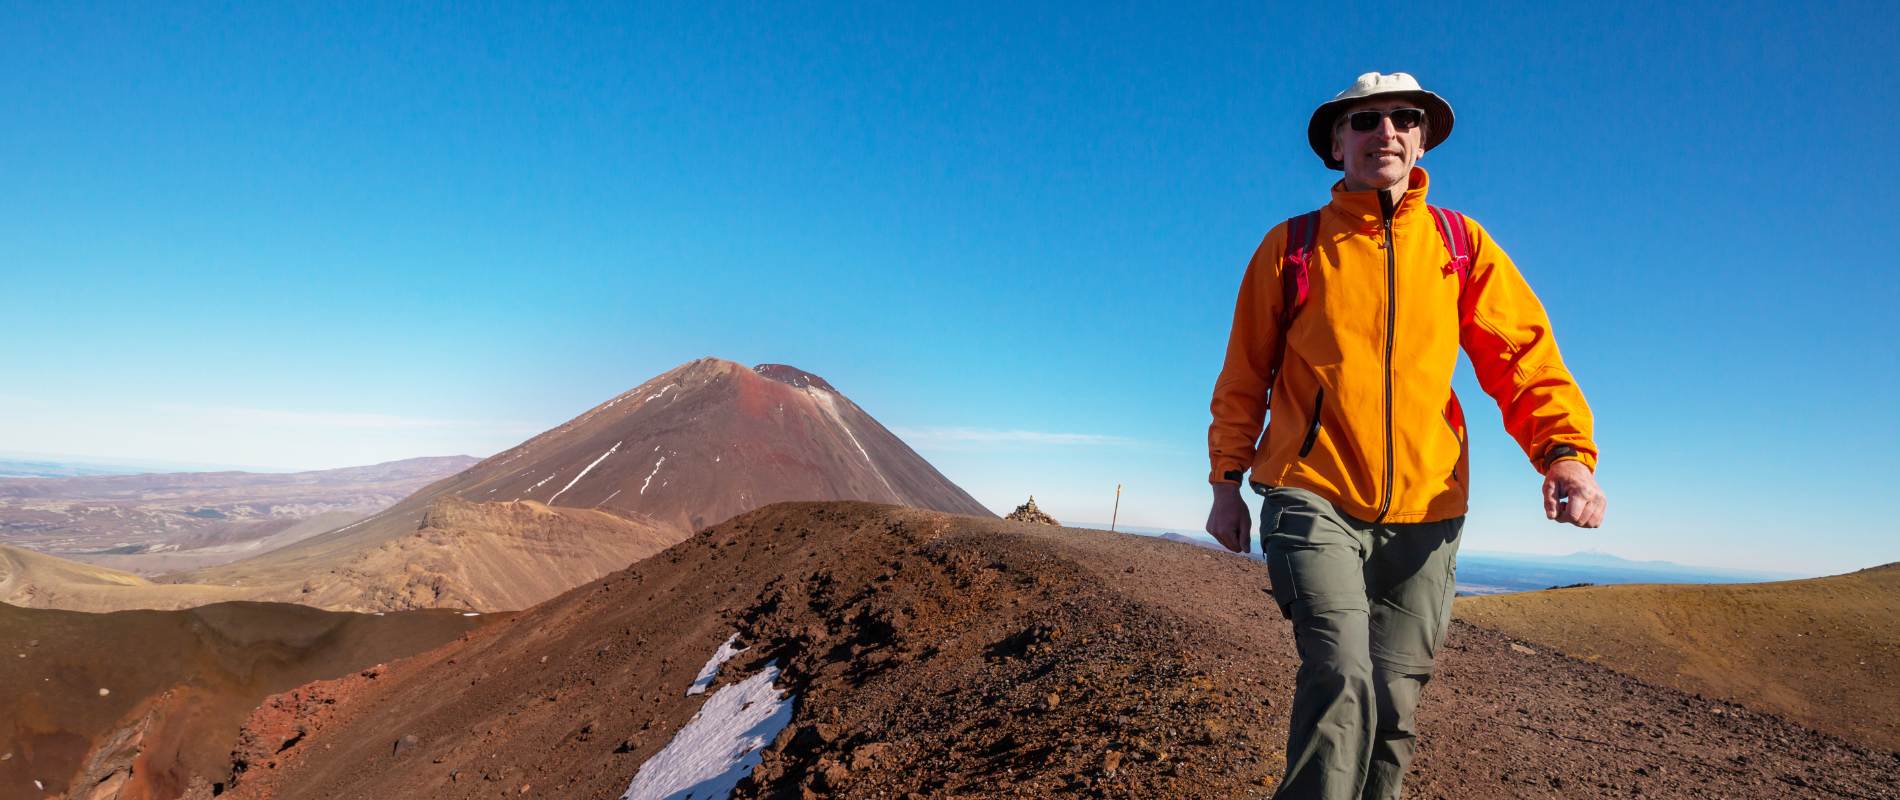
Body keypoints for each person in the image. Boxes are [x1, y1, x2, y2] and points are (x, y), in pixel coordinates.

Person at [1204, 72, 1606, 799]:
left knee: (1394, 701)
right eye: (1363, 120)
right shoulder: (1291, 247)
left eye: (1401, 117)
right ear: (1337, 142)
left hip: (1430, 509)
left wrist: (1566, 455)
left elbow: (1522, 359)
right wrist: (1225, 482)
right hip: (1310, 493)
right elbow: (1244, 376)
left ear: (1421, 138)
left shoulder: (1460, 243)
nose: (1383, 130)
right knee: (1340, 673)